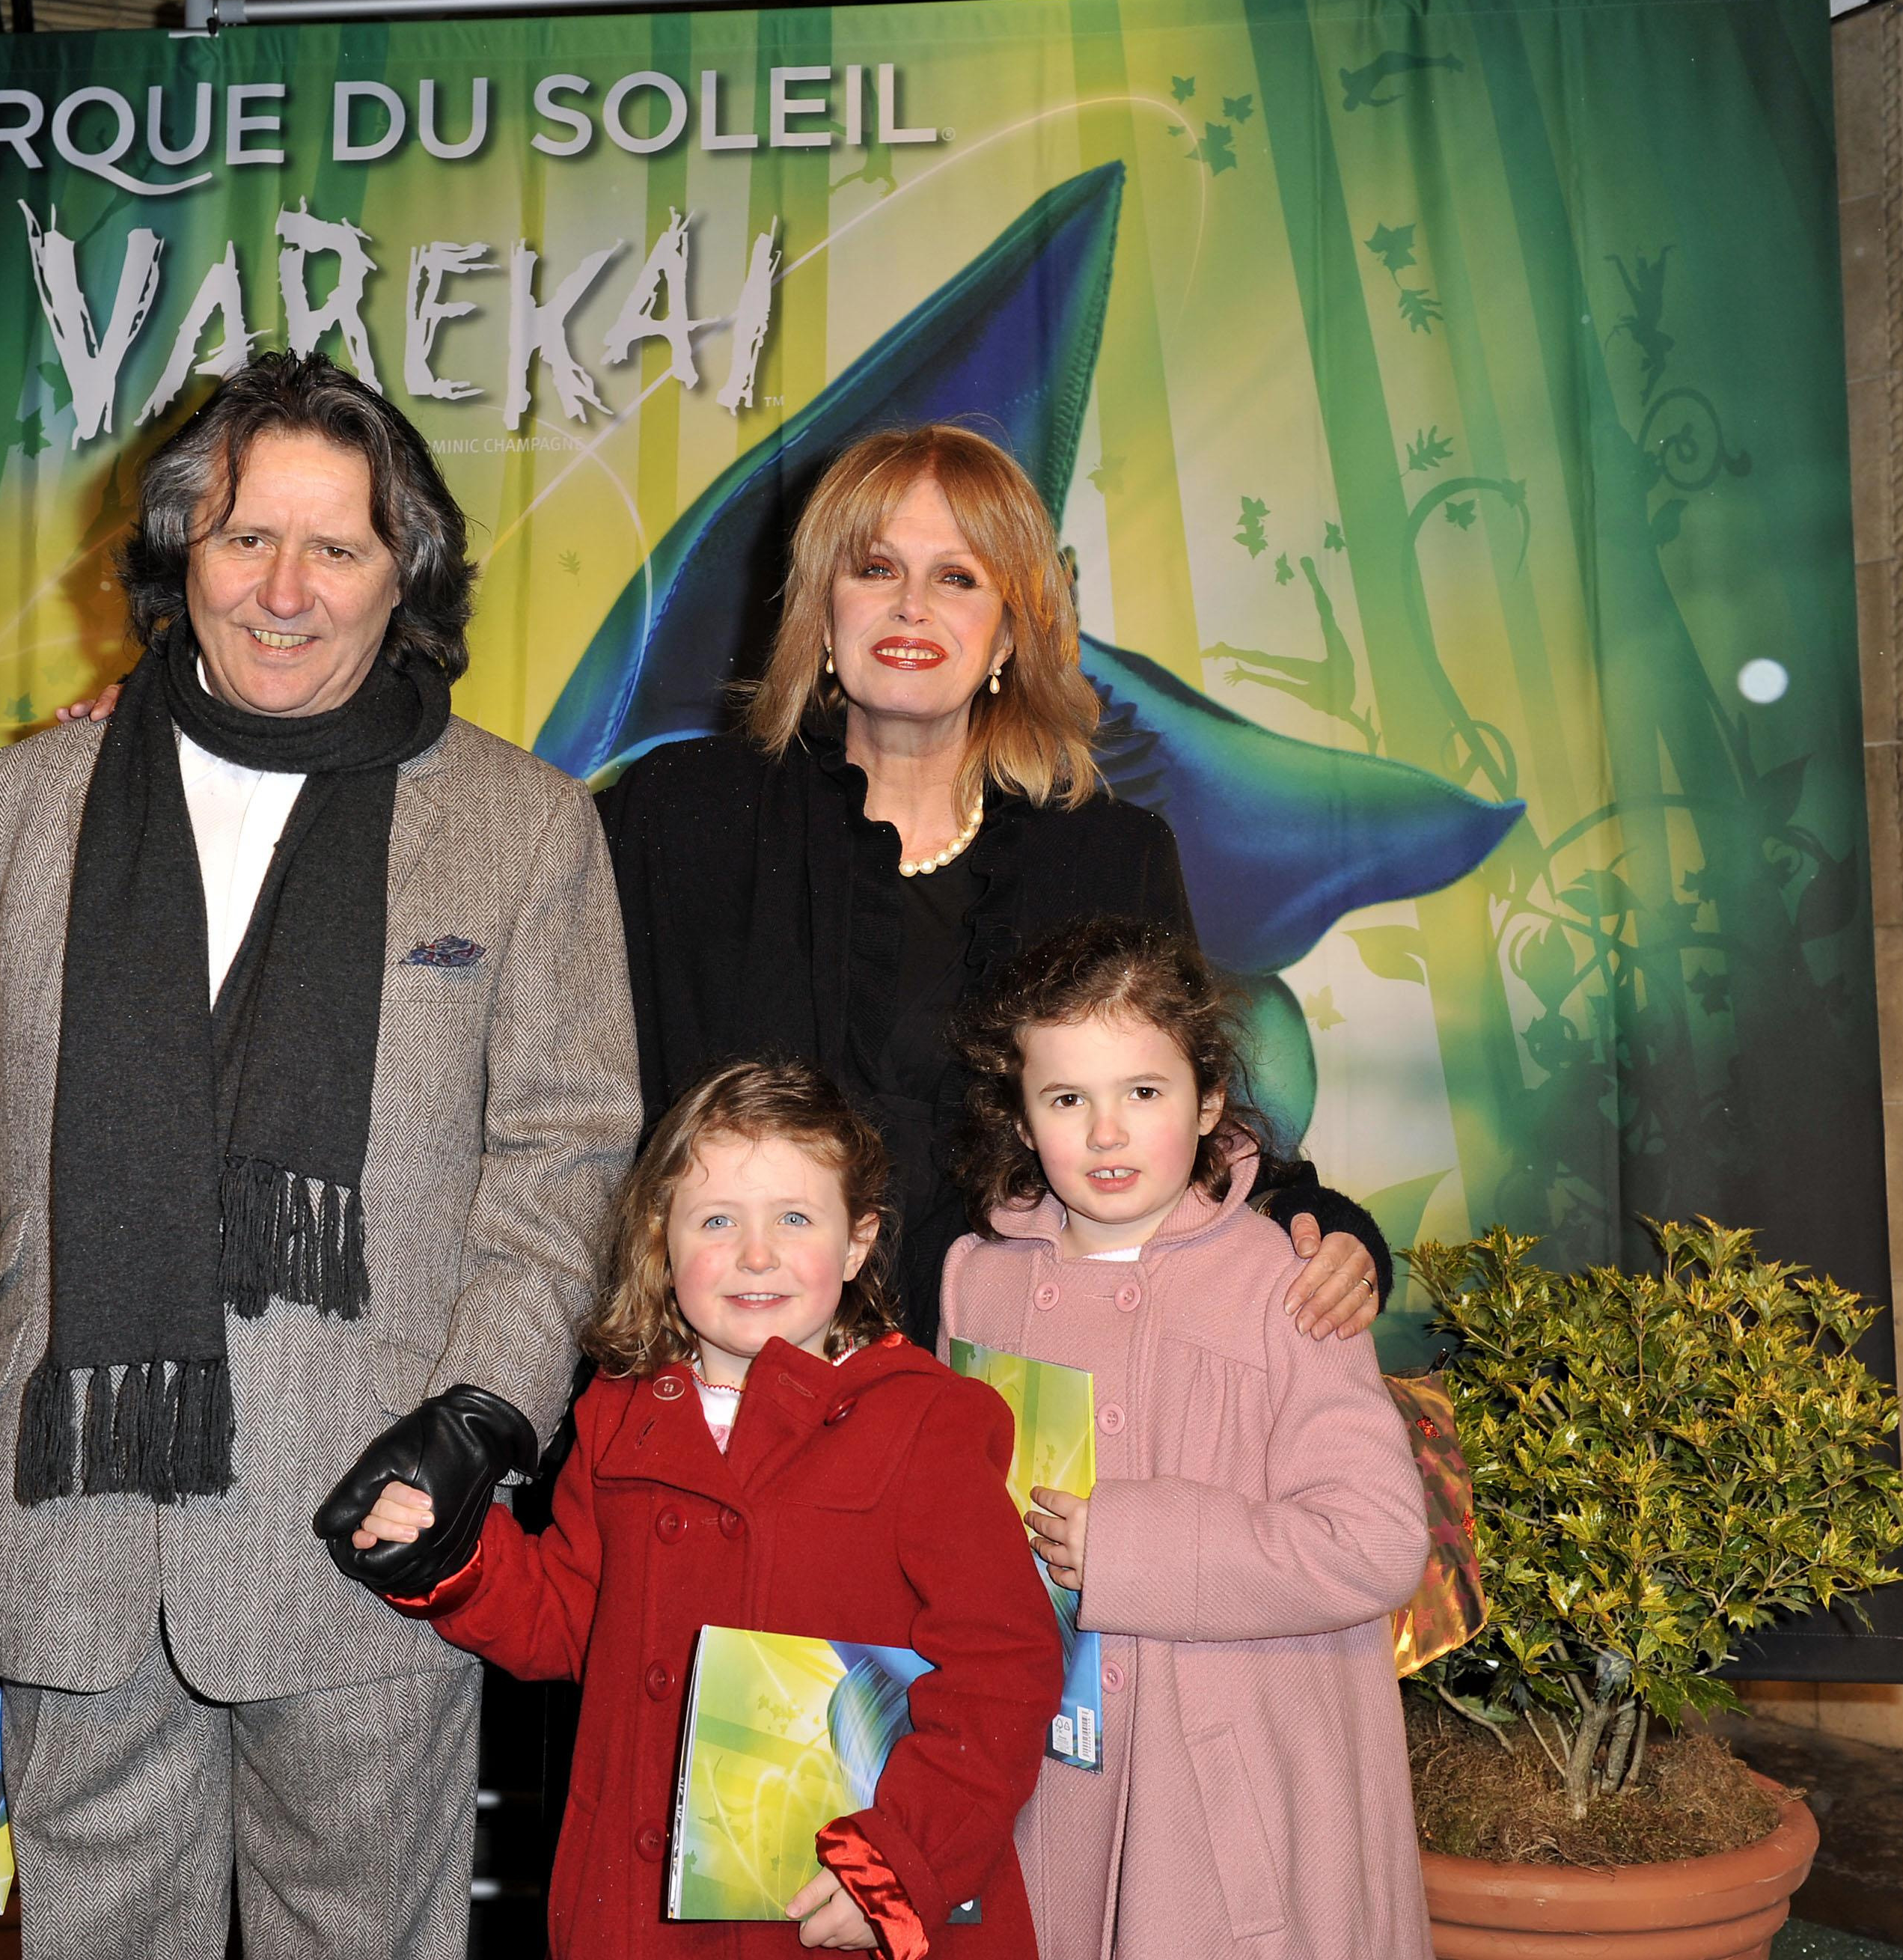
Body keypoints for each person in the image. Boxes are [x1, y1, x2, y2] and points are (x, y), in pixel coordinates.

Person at [0, 350, 639, 1960]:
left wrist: (480, 1417)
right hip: (69, 1514)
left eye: (335, 547)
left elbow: (566, 1159)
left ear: (401, 575)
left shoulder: (524, 826)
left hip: (366, 1522)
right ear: (177, 559)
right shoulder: (23, 803)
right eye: (242, 539)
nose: (285, 591)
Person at [596, 424, 1390, 1351]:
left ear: (1010, 630)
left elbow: (1166, 1120)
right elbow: (574, 1116)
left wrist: (1320, 1222)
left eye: (959, 578)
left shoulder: (1108, 858)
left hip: (1007, 1395)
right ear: (820, 611)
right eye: (875, 570)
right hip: (714, 1389)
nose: (912, 609)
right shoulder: (680, 819)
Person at [328, 1058, 1060, 1957]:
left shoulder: (926, 1420)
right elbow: (571, 1616)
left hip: (834, 1905)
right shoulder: (620, 1411)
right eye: (718, 1220)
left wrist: (902, 1861)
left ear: (859, 1240)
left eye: (795, 1218)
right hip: (636, 1905)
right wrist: (455, 1558)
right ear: (662, 1242)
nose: (757, 1254)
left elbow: (1006, 1673)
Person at [941, 915, 1432, 1960]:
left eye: (1144, 1093)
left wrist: (1135, 1549)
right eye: (1068, 1098)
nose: (1106, 1133)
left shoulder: (1284, 1286)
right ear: (1021, 1119)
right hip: (1039, 1785)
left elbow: (1379, 1540)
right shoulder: (975, 1284)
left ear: (1209, 1100)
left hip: (1223, 1800)